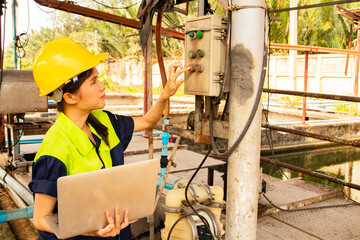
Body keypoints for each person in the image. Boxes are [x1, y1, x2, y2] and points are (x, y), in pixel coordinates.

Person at [28, 38, 190, 240]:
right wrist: (89, 230)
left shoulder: (104, 122)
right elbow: (41, 218)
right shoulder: (54, 151)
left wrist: (165, 94)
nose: (103, 86)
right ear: (70, 97)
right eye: (94, 82)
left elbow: (148, 121)